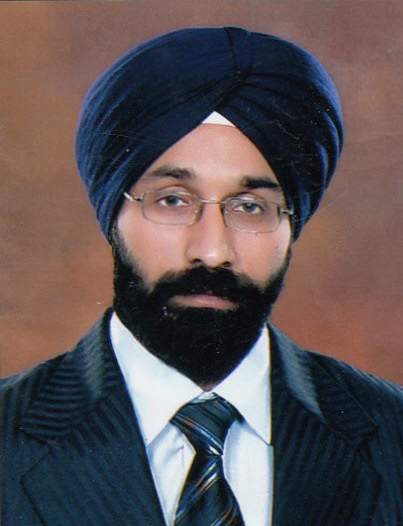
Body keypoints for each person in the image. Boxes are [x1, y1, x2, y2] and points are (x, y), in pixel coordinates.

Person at [1, 27, 402, 526]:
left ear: (290, 226)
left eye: (250, 207)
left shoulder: (392, 434)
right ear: (113, 217)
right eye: (172, 200)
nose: (212, 251)